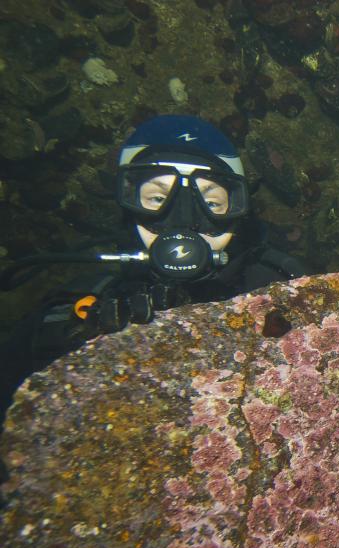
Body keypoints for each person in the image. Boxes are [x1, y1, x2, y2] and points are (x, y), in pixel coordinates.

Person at [0, 114, 306, 418]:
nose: (183, 219)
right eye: (158, 197)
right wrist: (72, 352)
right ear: (127, 204)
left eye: (211, 203)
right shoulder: (80, 303)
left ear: (237, 212)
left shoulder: (281, 283)